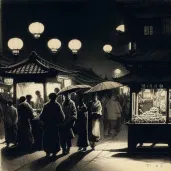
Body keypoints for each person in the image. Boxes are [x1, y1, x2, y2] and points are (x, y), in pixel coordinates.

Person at [40, 93, 65, 157]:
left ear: (49, 98)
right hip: (54, 125)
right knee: (55, 138)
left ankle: (47, 152)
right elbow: (62, 116)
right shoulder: (57, 105)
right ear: (55, 98)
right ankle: (54, 152)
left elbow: (42, 116)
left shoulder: (46, 105)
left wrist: (43, 122)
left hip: (47, 125)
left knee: (47, 138)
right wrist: (59, 122)